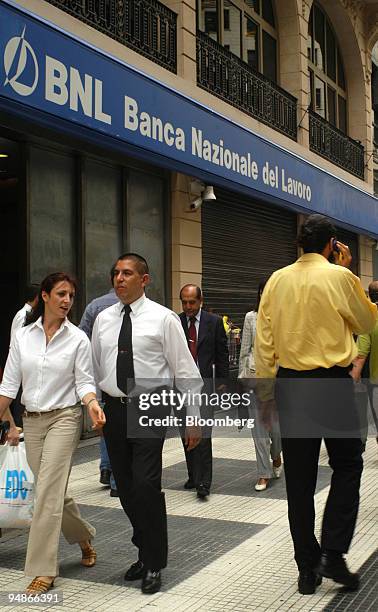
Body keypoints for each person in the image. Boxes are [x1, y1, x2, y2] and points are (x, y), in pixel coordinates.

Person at [254, 214, 377, 595]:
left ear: (299, 244)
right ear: (333, 245)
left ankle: (307, 569)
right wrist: (347, 272)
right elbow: (366, 322)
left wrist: (266, 395)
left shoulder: (277, 279)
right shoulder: (341, 277)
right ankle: (334, 554)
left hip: (292, 385)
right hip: (333, 384)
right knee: (347, 465)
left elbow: (265, 340)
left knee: (300, 482)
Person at [91, 253, 202, 595]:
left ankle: (154, 561)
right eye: (115, 273)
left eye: (127, 273)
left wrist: (193, 419)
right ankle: (144, 548)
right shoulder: (103, 319)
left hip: (150, 406)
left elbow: (185, 371)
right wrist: (95, 404)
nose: (119, 279)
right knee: (124, 486)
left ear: (145, 279)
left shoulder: (163, 319)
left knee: (146, 484)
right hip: (114, 409)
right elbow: (96, 366)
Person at [0, 273, 105, 595]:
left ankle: (44, 570)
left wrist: (91, 403)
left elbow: (84, 381)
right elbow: (9, 383)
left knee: (45, 492)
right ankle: (84, 536)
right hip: (31, 421)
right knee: (52, 492)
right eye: (61, 294)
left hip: (65, 418)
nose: (67, 301)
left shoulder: (77, 339)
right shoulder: (23, 336)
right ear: (44, 296)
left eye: (71, 295)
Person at [179, 284, 229, 498]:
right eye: (184, 302)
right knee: (185, 433)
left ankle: (204, 482)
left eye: (192, 302)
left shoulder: (214, 322)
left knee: (204, 435)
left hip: (204, 386)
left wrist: (223, 383)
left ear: (201, 301)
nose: (188, 307)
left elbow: (222, 354)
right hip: (180, 388)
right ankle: (193, 475)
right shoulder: (175, 322)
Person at [238, 280, 282, 491]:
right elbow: (245, 350)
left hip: (278, 379)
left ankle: (276, 455)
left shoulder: (284, 317)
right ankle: (263, 473)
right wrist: (242, 377)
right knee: (258, 429)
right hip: (255, 379)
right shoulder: (250, 318)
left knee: (276, 428)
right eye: (263, 293)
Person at [79, 280, 119, 496]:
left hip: (100, 377)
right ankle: (115, 476)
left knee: (104, 424)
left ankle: (106, 467)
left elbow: (81, 338)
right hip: (125, 382)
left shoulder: (95, 306)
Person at [350, 280, 378, 441]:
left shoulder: (367, 317)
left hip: (367, 377)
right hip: (369, 377)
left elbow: (360, 355)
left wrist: (353, 377)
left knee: (362, 415)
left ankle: (361, 442)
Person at [8, 285, 39, 427]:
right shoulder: (23, 315)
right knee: (20, 395)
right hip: (21, 363)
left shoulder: (29, 314)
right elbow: (16, 341)